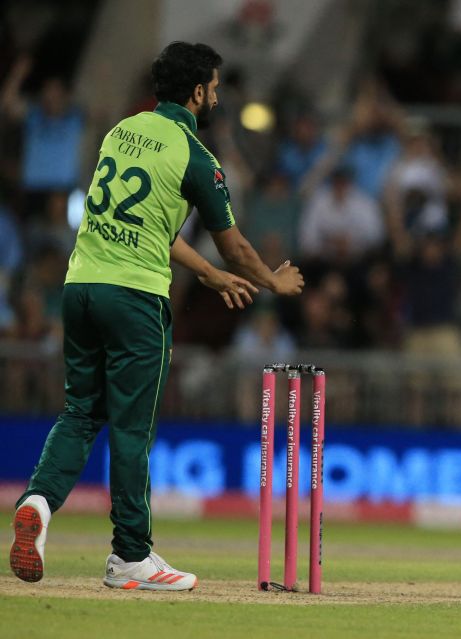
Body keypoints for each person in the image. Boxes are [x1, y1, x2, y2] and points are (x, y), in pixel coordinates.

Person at [9, 42, 304, 591]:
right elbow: (236, 246)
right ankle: (130, 556)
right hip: (135, 298)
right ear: (197, 93)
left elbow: (150, 227)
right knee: (131, 429)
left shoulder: (123, 131)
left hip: (81, 287)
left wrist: (210, 276)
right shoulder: (197, 156)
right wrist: (272, 279)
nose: (216, 96)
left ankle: (38, 505)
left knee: (79, 413)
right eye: (214, 88)